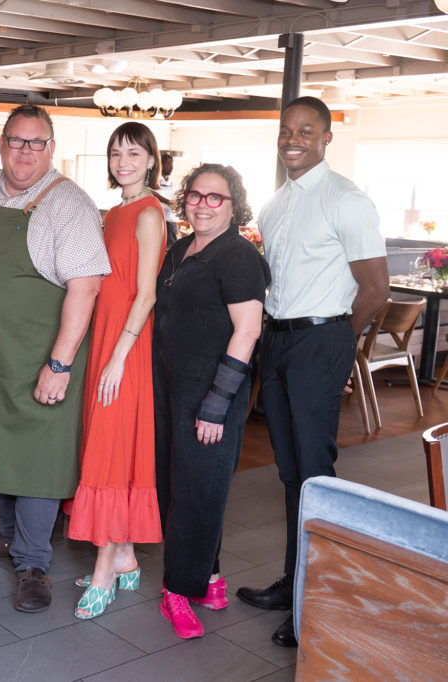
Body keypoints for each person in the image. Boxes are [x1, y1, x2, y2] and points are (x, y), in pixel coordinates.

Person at [236, 96, 388, 647]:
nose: (292, 139)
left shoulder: (345, 198)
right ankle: (293, 580)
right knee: (290, 471)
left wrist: (334, 350)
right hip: (276, 342)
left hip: (320, 339)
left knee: (315, 473)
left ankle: (315, 601)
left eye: (305, 131)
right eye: (285, 130)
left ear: (326, 138)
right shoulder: (276, 203)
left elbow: (375, 290)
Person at [0, 104, 110, 613]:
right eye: (16, 141)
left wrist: (60, 364)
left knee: (38, 459)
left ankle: (33, 564)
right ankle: (5, 536)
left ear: (50, 148)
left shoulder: (72, 205)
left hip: (39, 357)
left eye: (35, 142)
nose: (24, 151)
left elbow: (85, 290)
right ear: (1, 143)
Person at [153, 164, 270, 638]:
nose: (202, 204)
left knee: (199, 491)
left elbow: (248, 330)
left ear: (233, 205)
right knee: (185, 487)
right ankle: (211, 577)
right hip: (172, 388)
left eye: (215, 197)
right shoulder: (182, 248)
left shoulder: (239, 256)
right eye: (195, 195)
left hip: (209, 393)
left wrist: (217, 404)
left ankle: (177, 590)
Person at [67, 121, 165, 620]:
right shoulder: (115, 211)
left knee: (111, 454)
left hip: (127, 347)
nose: (123, 162)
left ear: (151, 159)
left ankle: (106, 569)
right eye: (115, 153)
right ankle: (124, 553)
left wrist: (119, 355)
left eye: (133, 153)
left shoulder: (149, 213)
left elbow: (145, 293)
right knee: (111, 451)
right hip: (107, 341)